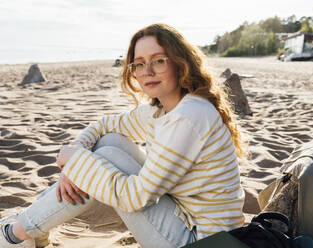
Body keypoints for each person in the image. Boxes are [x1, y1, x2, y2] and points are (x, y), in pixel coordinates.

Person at [0, 23, 247, 248]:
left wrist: (77, 162)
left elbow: (135, 198)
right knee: (109, 143)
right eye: (139, 63)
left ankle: (17, 233)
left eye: (158, 60)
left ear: (179, 63)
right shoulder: (163, 110)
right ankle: (29, 230)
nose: (147, 70)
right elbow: (104, 125)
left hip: (201, 241)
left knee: (105, 156)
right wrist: (74, 162)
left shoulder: (189, 116)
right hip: (184, 219)